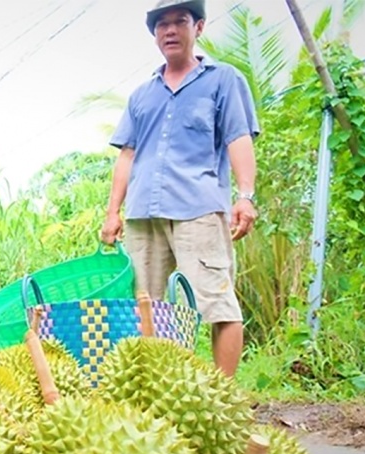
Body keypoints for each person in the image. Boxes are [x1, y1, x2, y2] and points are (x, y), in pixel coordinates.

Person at [100, 0, 259, 377]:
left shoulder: (223, 80)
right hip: (143, 214)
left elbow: (238, 137)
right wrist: (112, 212)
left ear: (198, 27)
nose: (170, 30)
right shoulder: (142, 95)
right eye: (162, 25)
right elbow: (127, 155)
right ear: (155, 35)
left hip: (198, 209)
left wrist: (245, 196)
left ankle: (222, 396)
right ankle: (159, 387)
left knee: (218, 304)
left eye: (180, 22)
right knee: (147, 307)